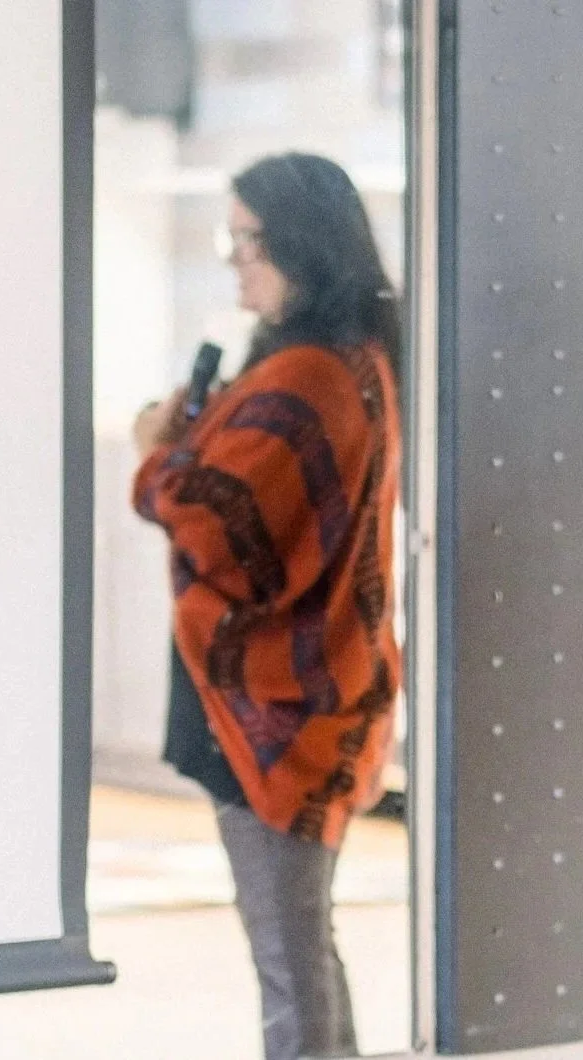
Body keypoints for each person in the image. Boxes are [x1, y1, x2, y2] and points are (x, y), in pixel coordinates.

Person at [130, 152, 403, 1060]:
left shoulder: (309, 376)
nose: (236, 261)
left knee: (289, 960)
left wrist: (157, 449)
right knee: (305, 947)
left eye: (248, 239)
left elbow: (215, 520)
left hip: (276, 706)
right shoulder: (349, 359)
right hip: (310, 693)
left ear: (301, 244)